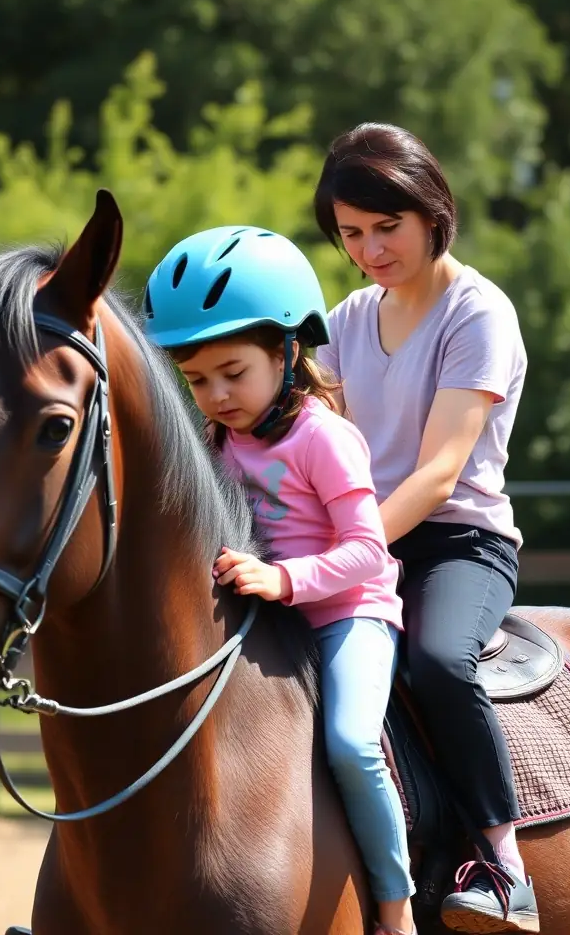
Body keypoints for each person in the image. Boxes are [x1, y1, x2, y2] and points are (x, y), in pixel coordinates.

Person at [144, 226, 416, 935]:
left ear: (288, 350)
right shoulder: (216, 445)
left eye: (233, 371)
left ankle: (394, 902)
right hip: (266, 618)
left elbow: (368, 550)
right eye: (197, 380)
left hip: (347, 616)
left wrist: (282, 577)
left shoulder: (323, 437)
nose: (216, 394)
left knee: (353, 743)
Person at [313, 122, 537, 934]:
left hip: (455, 541)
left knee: (439, 662)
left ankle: (502, 863)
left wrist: (346, 553)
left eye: (386, 228)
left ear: (432, 210)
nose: (370, 250)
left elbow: (440, 471)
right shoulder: (341, 321)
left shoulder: (479, 312)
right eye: (352, 235)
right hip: (356, 542)